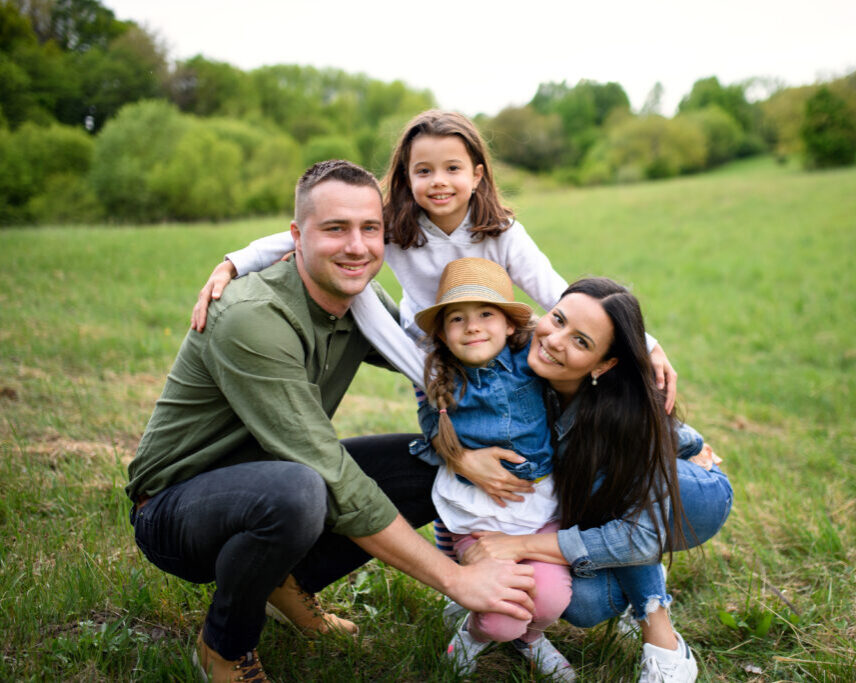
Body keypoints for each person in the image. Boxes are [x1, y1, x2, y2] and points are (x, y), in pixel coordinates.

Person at [126, 160, 535, 683]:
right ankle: (224, 647)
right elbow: (327, 468)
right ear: (296, 236)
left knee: (424, 465)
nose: (357, 247)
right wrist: (457, 581)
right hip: (176, 508)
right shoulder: (252, 316)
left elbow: (448, 357)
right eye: (336, 229)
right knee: (300, 491)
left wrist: (575, 352)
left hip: (276, 479)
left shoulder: (361, 302)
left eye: (370, 229)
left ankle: (284, 582)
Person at [190, 109, 679, 413]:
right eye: (424, 170)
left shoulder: (503, 232)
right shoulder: (396, 226)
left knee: (528, 422)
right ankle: (460, 545)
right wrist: (233, 264)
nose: (438, 181)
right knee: (451, 440)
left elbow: (555, 292)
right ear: (406, 175)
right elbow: (304, 235)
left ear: (478, 175)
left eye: (452, 168)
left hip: (501, 347)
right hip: (431, 353)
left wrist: (647, 343)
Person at [442, 278, 733, 683]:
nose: (555, 340)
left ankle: (664, 643)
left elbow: (640, 536)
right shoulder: (513, 353)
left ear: (603, 364)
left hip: (692, 496)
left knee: (602, 483)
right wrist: (458, 455)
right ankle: (629, 579)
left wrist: (518, 545)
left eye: (580, 342)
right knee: (580, 602)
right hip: (618, 502)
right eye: (557, 319)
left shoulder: (619, 416)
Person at [413, 257, 575, 680]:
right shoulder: (441, 377)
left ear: (509, 325)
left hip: (538, 505)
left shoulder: (532, 364)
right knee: (500, 618)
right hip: (479, 516)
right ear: (444, 334)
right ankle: (476, 633)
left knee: (551, 601)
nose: (472, 326)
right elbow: (431, 422)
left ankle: (533, 637)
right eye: (457, 319)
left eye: (486, 313)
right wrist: (456, 454)